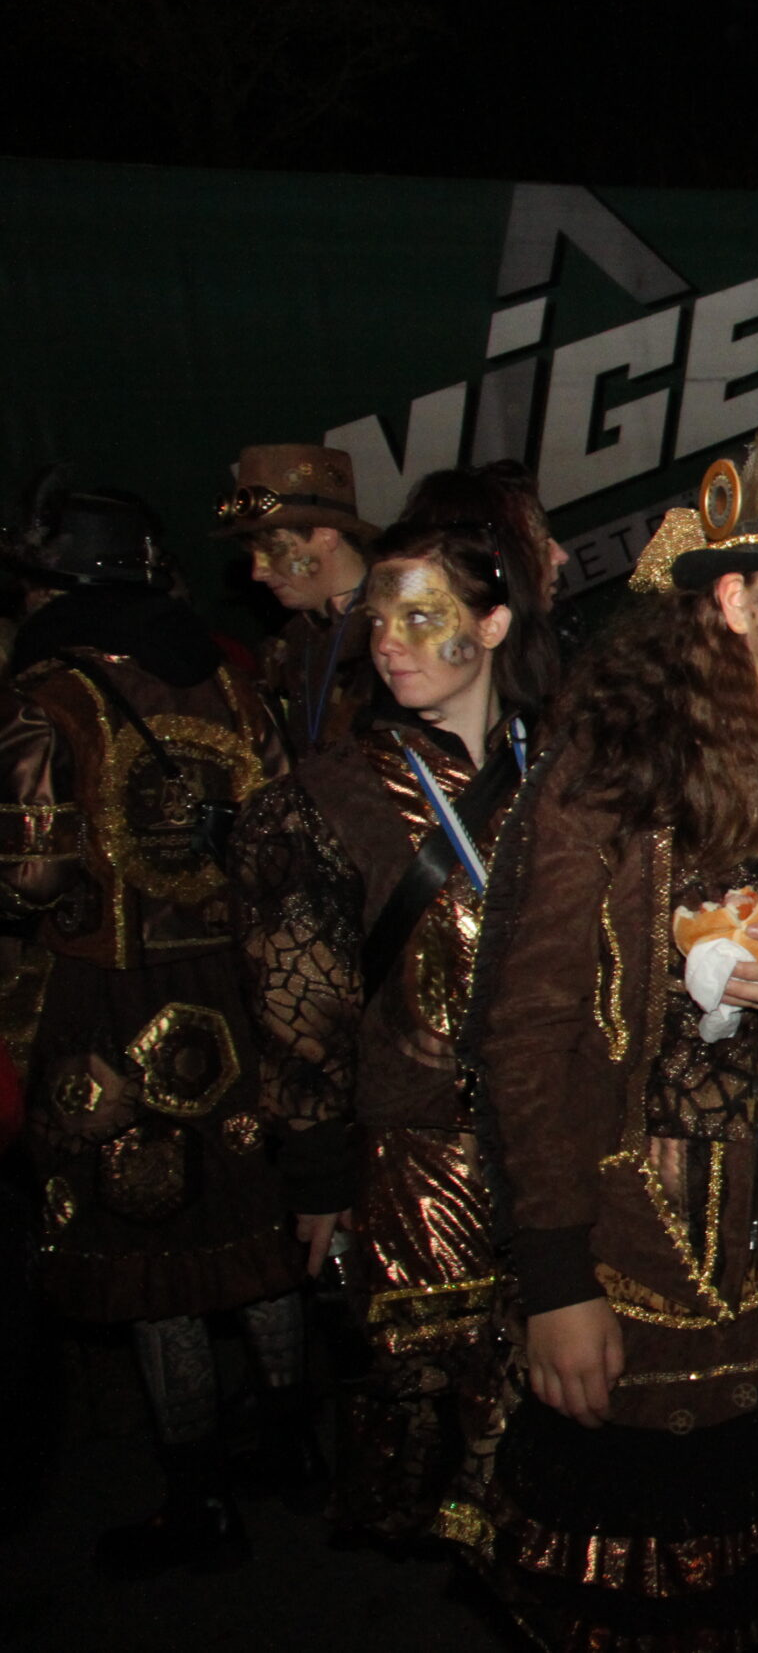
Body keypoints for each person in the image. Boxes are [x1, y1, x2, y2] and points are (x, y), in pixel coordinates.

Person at [456, 434, 758, 1650]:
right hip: (642, 1281)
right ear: (732, 602)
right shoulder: (614, 775)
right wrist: (555, 1279)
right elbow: (524, 1030)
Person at [229, 512, 558, 1547]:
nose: (389, 643)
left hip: (563, 1142)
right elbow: (299, 1004)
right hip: (421, 1156)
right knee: (448, 1421)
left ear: (494, 624)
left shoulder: (571, 770)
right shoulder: (326, 798)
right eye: (377, 620)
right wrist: (317, 1169)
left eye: (423, 616)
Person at [0, 484, 303, 1573]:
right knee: (252, 1226)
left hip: (111, 1000)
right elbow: (283, 833)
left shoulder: (46, 693)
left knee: (149, 1255)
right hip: (238, 988)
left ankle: (197, 1497)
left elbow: (30, 875)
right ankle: (294, 1443)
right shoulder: (228, 675)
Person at [220, 442, 378, 755]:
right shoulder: (290, 643)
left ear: (326, 535)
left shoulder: (395, 627)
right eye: (252, 554)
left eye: (273, 549)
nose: (257, 572)